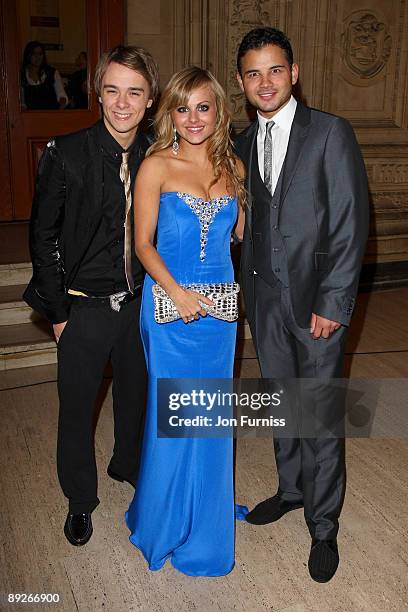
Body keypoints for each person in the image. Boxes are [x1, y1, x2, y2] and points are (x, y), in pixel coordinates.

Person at [235, 27, 369, 582]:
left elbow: (349, 222)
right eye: (252, 73)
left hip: (318, 302)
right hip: (264, 299)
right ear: (242, 82)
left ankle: (324, 524)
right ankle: (291, 489)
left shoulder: (331, 133)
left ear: (294, 73)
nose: (264, 82)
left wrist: (335, 302)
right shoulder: (242, 141)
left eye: (274, 70)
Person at [23, 46, 159, 546]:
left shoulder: (156, 153)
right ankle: (80, 499)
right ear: (97, 92)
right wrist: (58, 312)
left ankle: (127, 467)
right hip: (82, 306)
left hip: (140, 305)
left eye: (134, 92)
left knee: (136, 400)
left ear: (149, 100)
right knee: (77, 409)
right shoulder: (65, 152)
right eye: (113, 90)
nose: (122, 103)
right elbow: (43, 237)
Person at [125, 66, 247, 576]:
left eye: (203, 106)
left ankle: (207, 519)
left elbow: (237, 234)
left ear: (218, 111)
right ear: (169, 113)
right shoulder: (155, 165)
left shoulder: (233, 167)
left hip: (218, 315)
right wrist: (178, 292)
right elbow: (142, 245)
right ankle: (163, 519)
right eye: (182, 107)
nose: (193, 118)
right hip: (170, 310)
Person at [21, 41, 68, 110]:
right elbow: (22, 102)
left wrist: (62, 101)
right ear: (28, 55)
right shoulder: (22, 75)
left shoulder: (52, 72)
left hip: (50, 115)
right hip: (30, 117)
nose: (37, 57)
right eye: (34, 54)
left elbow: (61, 94)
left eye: (40, 54)